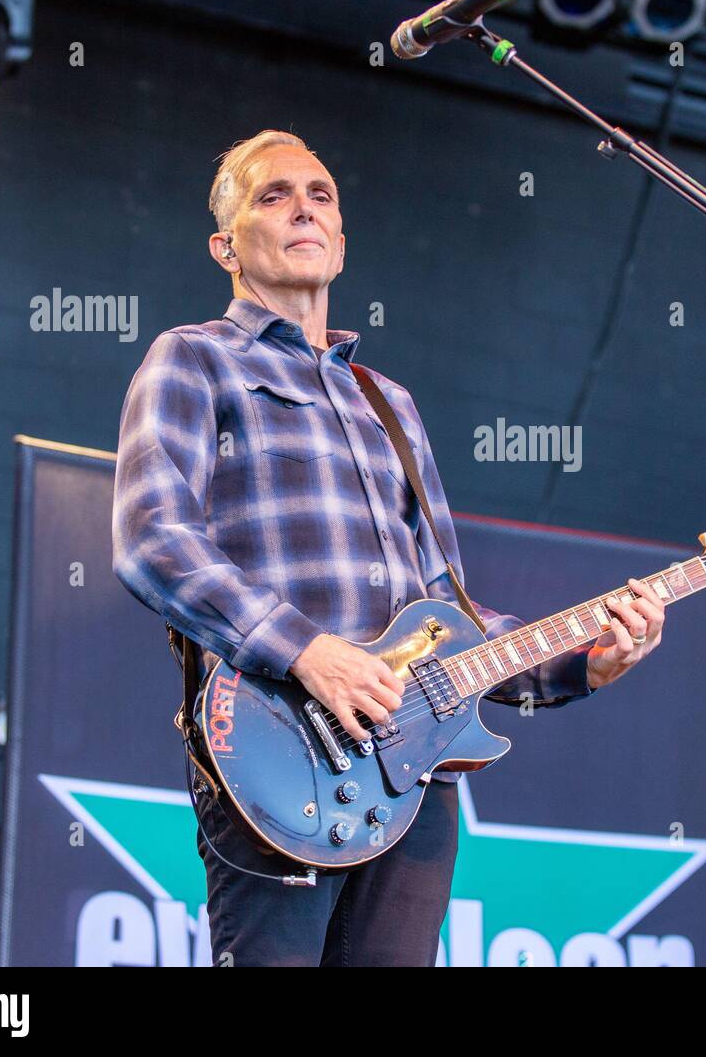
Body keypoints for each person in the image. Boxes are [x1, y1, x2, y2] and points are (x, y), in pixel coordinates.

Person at [112, 130, 666, 966]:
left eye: (322, 196)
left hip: (412, 785)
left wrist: (583, 661)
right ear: (225, 246)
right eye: (273, 195)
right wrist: (309, 652)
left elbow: (455, 617)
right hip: (276, 756)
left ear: (340, 241)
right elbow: (152, 539)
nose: (305, 206)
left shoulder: (391, 403)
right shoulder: (194, 360)